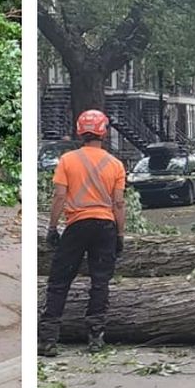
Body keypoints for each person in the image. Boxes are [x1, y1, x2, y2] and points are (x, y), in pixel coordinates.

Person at [40, 109, 126, 356]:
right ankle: (96, 337)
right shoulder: (116, 164)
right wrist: (120, 235)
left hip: (76, 225)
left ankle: (48, 339)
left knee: (59, 281)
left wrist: (52, 227)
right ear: (104, 132)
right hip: (105, 227)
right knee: (100, 282)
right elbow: (118, 203)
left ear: (80, 131)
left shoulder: (67, 160)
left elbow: (58, 196)